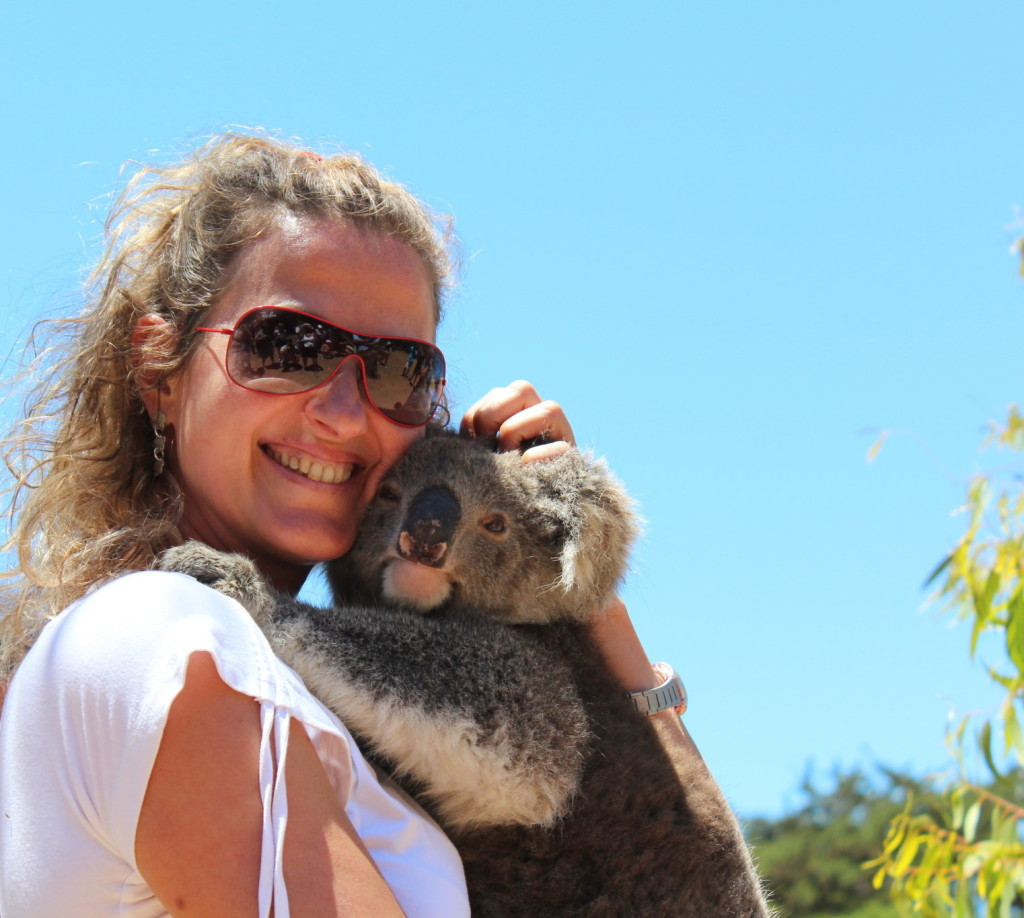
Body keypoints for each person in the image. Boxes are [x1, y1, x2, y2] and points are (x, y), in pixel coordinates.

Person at [0, 134, 706, 917]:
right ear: (159, 370)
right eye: (289, 345)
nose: (341, 414)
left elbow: (684, 870)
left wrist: (564, 567)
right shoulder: (170, 635)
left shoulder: (271, 680)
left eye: (398, 372)